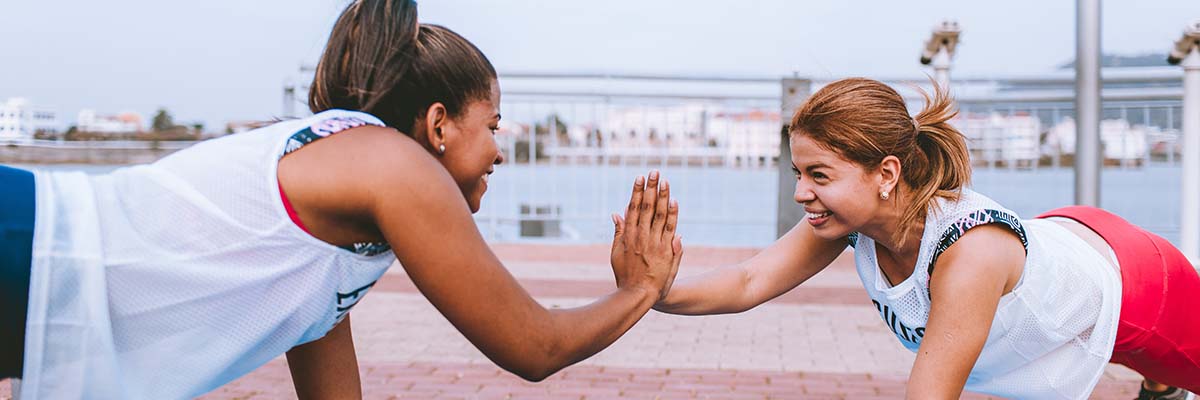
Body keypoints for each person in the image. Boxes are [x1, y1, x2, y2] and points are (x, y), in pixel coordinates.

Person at [1, 1, 683, 398]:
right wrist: (641, 289)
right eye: (493, 126)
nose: (500, 150)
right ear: (440, 125)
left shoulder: (338, 238)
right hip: (27, 243)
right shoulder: (390, 164)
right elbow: (533, 347)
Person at [653, 77, 1200, 399]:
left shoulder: (969, 253)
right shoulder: (853, 221)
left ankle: (1161, 385)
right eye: (798, 174)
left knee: (1165, 361)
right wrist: (652, 291)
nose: (801, 193)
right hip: (1060, 236)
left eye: (819, 175)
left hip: (1138, 285)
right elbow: (750, 280)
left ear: (886, 174)